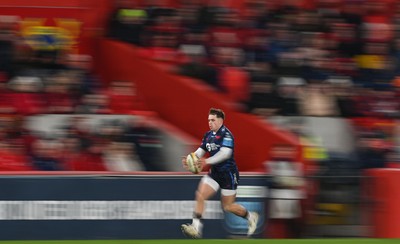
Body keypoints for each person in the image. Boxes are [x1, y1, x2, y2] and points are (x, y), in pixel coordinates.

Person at [180, 107, 259, 238]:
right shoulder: (208, 135)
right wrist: (190, 159)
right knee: (200, 195)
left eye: (212, 120)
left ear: (221, 120)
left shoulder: (226, 135)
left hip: (228, 175)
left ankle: (251, 216)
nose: (209, 122)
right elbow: (199, 152)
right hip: (215, 173)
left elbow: (225, 154)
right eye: (208, 120)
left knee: (228, 206)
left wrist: (206, 162)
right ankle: (196, 228)